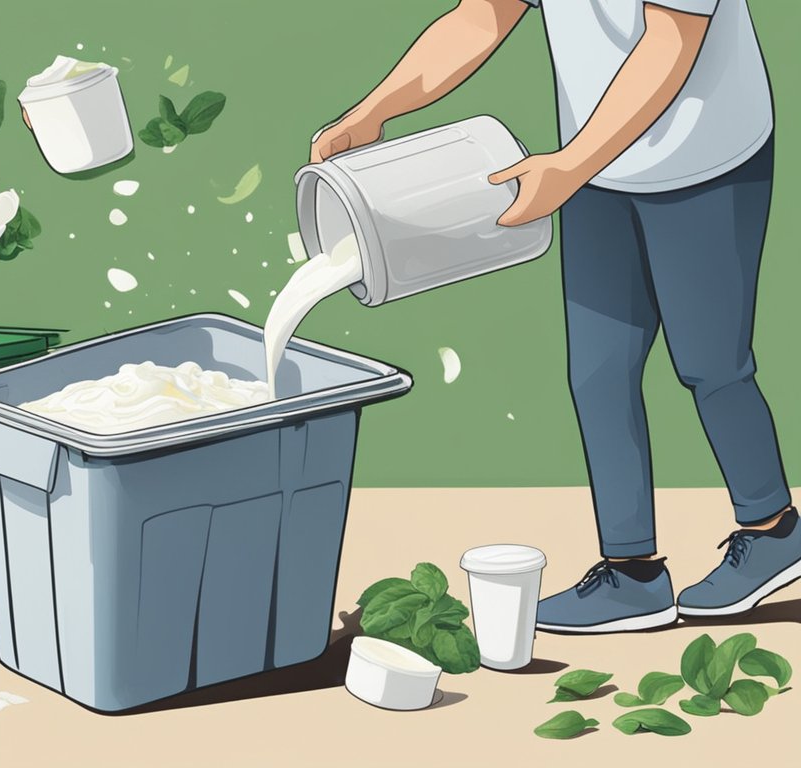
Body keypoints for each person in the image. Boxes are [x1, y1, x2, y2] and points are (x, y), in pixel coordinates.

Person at [312, 0, 795, 633]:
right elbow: (482, 16)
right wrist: (372, 114)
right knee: (599, 372)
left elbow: (671, 44)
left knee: (711, 364)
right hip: (595, 169)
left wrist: (570, 165)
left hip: (702, 162)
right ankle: (632, 574)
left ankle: (773, 528)